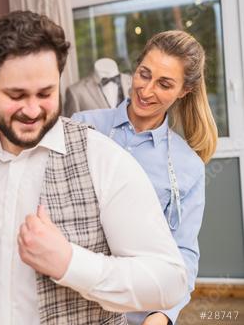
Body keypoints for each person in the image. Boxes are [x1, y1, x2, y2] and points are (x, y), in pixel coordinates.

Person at [0, 11, 187, 325]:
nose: (31, 110)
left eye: (45, 94)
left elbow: (168, 281)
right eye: (16, 95)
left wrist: (70, 263)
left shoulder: (103, 160)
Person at [72, 30, 218, 325]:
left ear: (183, 91)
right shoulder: (82, 127)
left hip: (136, 312)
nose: (146, 90)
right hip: (73, 301)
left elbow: (184, 253)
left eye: (164, 84)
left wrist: (163, 314)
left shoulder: (187, 165)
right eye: (143, 74)